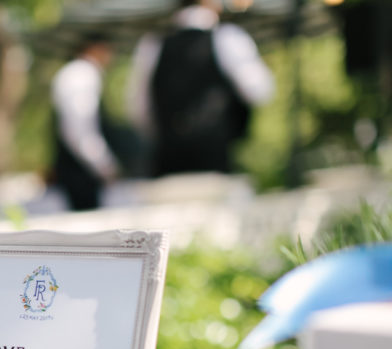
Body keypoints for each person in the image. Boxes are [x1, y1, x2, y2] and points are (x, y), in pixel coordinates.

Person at [127, 0, 274, 177]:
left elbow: (138, 111)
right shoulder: (228, 37)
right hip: (215, 157)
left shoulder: (152, 45)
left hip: (167, 159)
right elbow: (260, 91)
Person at [51, 33, 120, 211]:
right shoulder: (82, 75)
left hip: (79, 166)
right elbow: (79, 128)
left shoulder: (76, 73)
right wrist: (103, 164)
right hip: (80, 168)